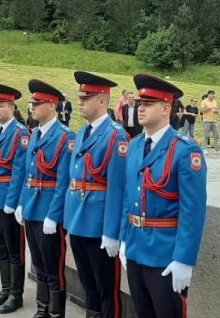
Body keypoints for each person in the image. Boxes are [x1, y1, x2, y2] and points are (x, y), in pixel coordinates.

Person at [114, 74, 207, 318]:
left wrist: (184, 259)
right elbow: (128, 195)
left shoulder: (185, 150)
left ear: (166, 108)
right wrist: (124, 238)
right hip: (135, 247)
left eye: (148, 104)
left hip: (165, 254)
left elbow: (193, 211)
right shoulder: (134, 145)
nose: (140, 108)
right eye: (139, 103)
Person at [63, 71, 128, 318]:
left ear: (102, 101)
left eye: (86, 97)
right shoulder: (81, 133)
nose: (80, 101)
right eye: (80, 96)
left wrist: (112, 232)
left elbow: (117, 188)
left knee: (105, 289)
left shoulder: (115, 135)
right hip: (78, 220)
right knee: (88, 284)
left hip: (99, 225)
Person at [14, 79, 75, 318]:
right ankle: (42, 309)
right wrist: (21, 203)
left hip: (49, 209)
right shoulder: (35, 133)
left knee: (53, 267)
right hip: (31, 206)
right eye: (31, 103)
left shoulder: (65, 137)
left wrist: (54, 215)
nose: (32, 107)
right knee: (38, 262)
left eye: (37, 103)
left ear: (51, 105)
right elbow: (28, 173)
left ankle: (56, 312)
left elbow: (63, 181)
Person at [0, 84, 30, 314]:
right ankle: (5, 288)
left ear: (12, 107)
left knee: (14, 248)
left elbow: (19, 170)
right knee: (0, 245)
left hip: (7, 198)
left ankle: (16, 294)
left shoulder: (20, 133)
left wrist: (13, 202)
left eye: (1, 105)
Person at [200, 90, 220, 154]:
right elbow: (201, 111)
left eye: (214, 94)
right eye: (212, 94)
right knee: (206, 135)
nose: (213, 96)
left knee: (216, 135)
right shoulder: (204, 101)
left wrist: (216, 111)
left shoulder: (215, 102)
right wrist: (208, 108)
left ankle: (217, 149)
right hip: (207, 120)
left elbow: (216, 109)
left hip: (214, 120)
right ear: (208, 94)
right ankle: (204, 149)